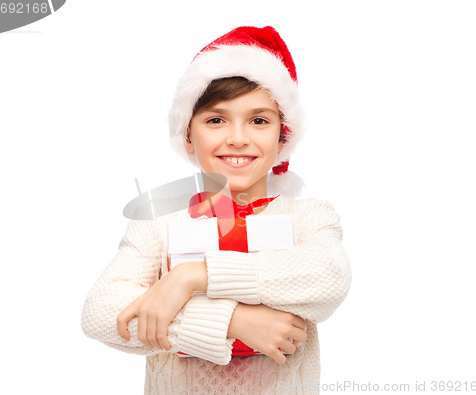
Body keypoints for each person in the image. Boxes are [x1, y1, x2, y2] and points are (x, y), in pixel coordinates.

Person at [81, 26, 351, 394]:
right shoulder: (158, 225)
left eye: (258, 120)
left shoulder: (309, 217)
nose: (238, 137)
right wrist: (231, 322)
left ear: (282, 136)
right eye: (215, 120)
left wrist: (192, 276)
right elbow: (100, 313)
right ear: (188, 135)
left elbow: (329, 277)